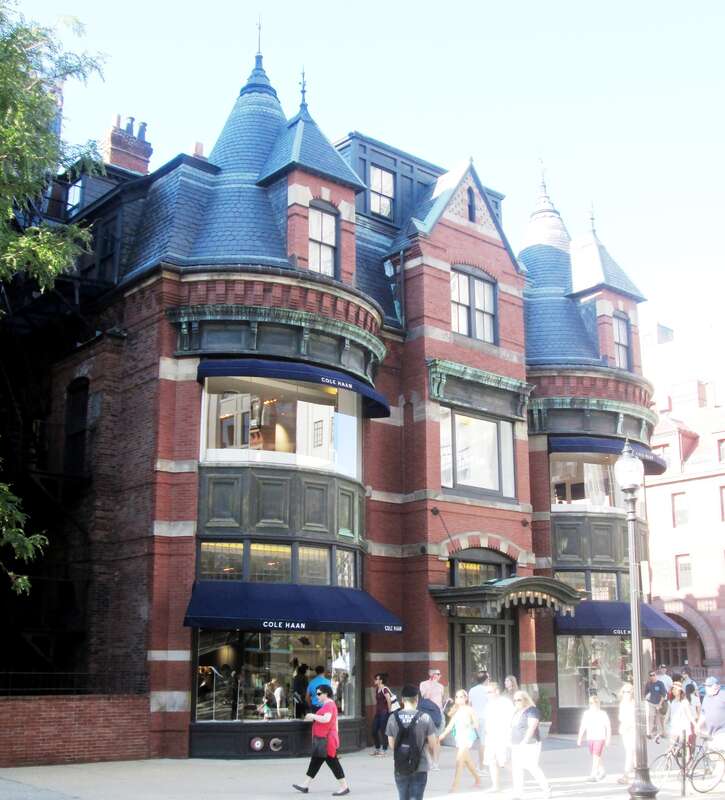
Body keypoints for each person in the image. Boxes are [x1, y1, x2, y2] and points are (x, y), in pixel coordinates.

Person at [293, 684, 350, 796]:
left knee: (332, 763)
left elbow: (326, 719)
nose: (317, 696)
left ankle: (344, 787)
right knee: (316, 762)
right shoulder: (328, 705)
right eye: (316, 694)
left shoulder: (329, 705)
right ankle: (305, 785)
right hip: (324, 740)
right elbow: (334, 722)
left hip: (326, 741)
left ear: (326, 694)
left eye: (319, 694)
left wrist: (312, 716)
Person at [386, 684, 438, 800]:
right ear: (417, 699)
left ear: (402, 700)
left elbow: (391, 744)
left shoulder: (393, 718)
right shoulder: (425, 717)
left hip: (400, 765)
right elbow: (433, 743)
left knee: (403, 797)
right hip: (420, 765)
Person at [510, 690, 551, 800]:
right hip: (515, 743)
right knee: (517, 768)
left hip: (530, 743)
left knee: (532, 766)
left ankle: (546, 789)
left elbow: (532, 727)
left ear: (525, 699)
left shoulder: (532, 711)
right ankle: (518, 792)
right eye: (514, 700)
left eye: (519, 699)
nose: (516, 702)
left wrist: (525, 741)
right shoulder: (516, 712)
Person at [439, 689, 481, 793]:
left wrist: (469, 725)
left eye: (461, 697)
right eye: (457, 697)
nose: (458, 699)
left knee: (459, 761)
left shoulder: (469, 710)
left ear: (466, 698)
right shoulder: (456, 710)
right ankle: (478, 779)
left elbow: (476, 724)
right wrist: (442, 735)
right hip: (459, 737)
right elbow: (450, 725)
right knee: (467, 761)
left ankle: (455, 786)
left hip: (468, 736)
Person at [483, 681, 514, 793]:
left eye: (489, 692)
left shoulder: (505, 703)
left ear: (497, 691)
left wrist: (508, 735)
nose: (487, 695)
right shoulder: (488, 704)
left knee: (505, 761)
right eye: (486, 693)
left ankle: (517, 782)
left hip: (503, 736)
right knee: (492, 761)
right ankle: (495, 786)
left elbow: (511, 720)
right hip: (491, 736)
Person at [577, 695, 612, 781]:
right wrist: (579, 738)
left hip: (600, 737)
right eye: (591, 703)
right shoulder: (586, 714)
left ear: (598, 703)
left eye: (595, 702)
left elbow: (608, 727)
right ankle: (602, 771)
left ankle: (593, 774)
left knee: (596, 756)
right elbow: (583, 726)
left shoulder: (603, 714)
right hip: (590, 737)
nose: (593, 704)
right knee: (595, 755)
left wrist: (608, 738)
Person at [419, 669, 445, 771]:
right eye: (437, 674)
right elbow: (425, 696)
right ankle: (430, 761)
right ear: (431, 675)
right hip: (427, 713)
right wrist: (432, 685)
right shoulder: (424, 684)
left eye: (439, 674)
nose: (439, 676)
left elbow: (441, 700)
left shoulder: (441, 686)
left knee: (437, 739)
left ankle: (436, 762)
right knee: (427, 740)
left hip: (438, 714)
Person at [467, 671, 489, 775]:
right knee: (483, 743)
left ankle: (479, 764)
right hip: (486, 718)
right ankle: (482, 766)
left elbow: (470, 705)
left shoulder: (472, 690)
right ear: (486, 679)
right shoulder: (488, 690)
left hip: (475, 718)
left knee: (480, 742)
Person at [667, 680, 696, 758]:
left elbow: (689, 715)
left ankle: (686, 766)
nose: (673, 691)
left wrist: (695, 725)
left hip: (684, 726)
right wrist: (664, 724)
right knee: (670, 746)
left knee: (685, 747)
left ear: (680, 691)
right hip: (674, 726)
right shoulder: (672, 702)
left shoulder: (684, 702)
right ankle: (667, 765)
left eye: (675, 689)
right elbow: (668, 714)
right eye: (673, 689)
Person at [699, 676, 725, 751]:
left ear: (716, 686)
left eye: (709, 686)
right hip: (710, 733)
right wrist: (698, 726)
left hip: (722, 733)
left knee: (720, 758)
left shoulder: (723, 695)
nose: (707, 688)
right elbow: (703, 713)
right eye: (706, 686)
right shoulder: (706, 697)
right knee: (711, 758)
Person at [617, 683, 636, 785]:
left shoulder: (633, 704)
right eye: (624, 692)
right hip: (625, 730)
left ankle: (627, 775)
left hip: (633, 730)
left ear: (632, 693)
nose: (626, 694)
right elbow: (620, 717)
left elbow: (635, 718)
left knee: (632, 752)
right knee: (630, 752)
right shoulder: (622, 704)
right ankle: (632, 774)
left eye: (628, 692)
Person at [371, 672, 394, 756]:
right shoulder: (377, 689)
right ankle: (377, 748)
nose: (375, 680)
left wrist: (389, 711)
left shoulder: (385, 689)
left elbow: (388, 700)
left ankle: (384, 750)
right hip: (378, 713)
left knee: (383, 731)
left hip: (384, 713)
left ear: (381, 680)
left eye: (376, 679)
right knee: (374, 730)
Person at [644, 670, 668, 743]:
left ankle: (661, 733)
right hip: (651, 703)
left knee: (659, 719)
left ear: (656, 675)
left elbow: (664, 694)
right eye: (650, 675)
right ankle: (649, 733)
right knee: (650, 717)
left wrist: (660, 704)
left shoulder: (660, 683)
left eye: (653, 675)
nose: (652, 676)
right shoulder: (648, 684)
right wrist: (647, 697)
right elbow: (645, 694)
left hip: (658, 703)